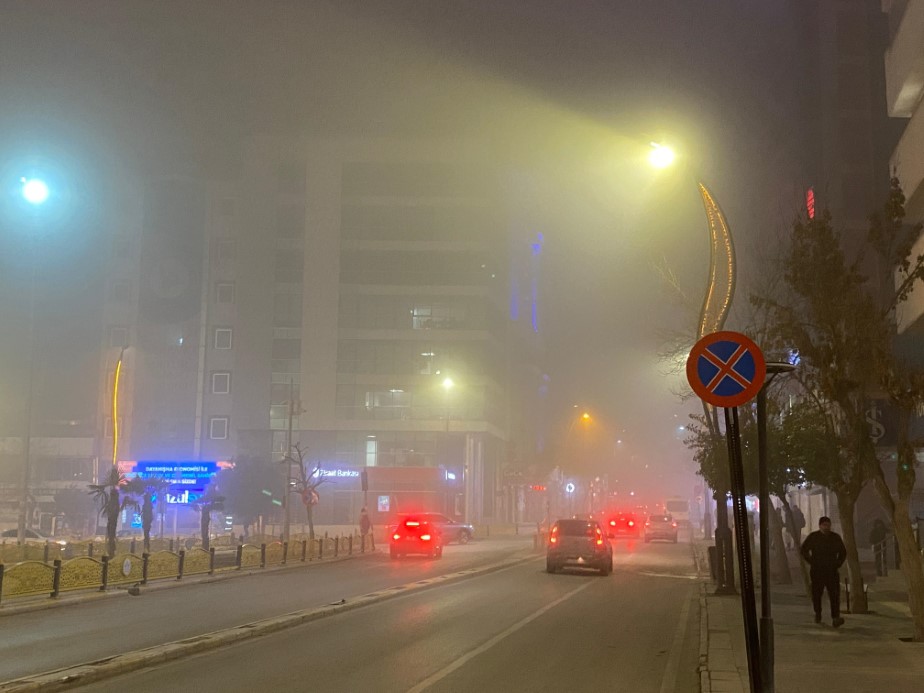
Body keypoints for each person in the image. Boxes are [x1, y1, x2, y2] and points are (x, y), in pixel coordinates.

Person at [800, 516, 847, 627]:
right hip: (817, 571)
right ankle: (818, 613)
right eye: (824, 525)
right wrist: (811, 561)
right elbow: (804, 550)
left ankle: (835, 616)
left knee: (834, 594)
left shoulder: (835, 537)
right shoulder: (813, 537)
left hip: (832, 570)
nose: (827, 527)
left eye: (828, 525)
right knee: (817, 594)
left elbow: (843, 552)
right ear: (820, 525)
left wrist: (838, 563)